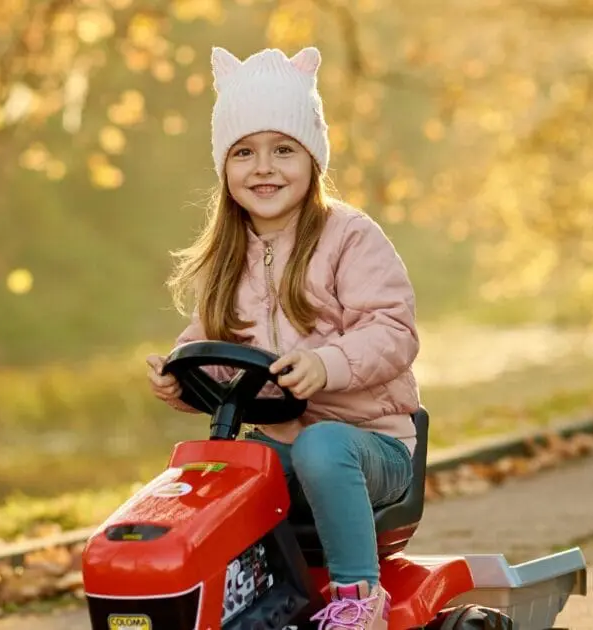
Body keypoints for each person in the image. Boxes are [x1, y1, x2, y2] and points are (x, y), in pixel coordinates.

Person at [145, 45, 421, 630]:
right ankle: (229, 602)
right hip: (286, 449)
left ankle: (357, 598)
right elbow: (215, 346)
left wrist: (328, 364)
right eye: (244, 152)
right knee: (215, 469)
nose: (263, 167)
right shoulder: (227, 256)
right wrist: (180, 377)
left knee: (322, 445)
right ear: (225, 166)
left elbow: (392, 330)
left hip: (374, 447)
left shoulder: (350, 236)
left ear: (312, 158)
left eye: (283, 149)